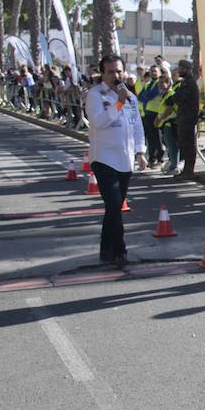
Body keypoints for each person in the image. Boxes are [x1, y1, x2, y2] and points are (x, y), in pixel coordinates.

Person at [86, 54, 147, 265]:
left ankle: (106, 249)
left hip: (125, 157)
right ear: (103, 73)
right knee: (113, 205)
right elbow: (99, 121)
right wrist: (118, 102)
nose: (116, 75)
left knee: (114, 207)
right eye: (111, 71)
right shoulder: (95, 95)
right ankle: (120, 250)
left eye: (119, 71)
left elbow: (137, 125)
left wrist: (140, 151)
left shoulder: (130, 97)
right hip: (104, 157)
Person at [174, 60, 201, 180]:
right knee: (184, 144)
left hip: (188, 118)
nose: (179, 70)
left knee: (188, 145)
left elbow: (179, 97)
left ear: (186, 69)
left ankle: (189, 171)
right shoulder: (185, 82)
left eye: (180, 68)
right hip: (184, 117)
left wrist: (175, 95)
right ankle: (186, 170)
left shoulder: (189, 83)